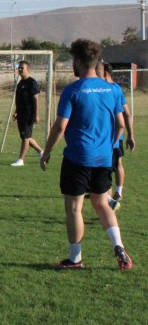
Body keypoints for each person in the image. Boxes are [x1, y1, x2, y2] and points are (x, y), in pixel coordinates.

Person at [40, 39, 132, 270]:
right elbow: (120, 123)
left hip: (78, 158)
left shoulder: (73, 90)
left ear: (79, 62)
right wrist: (109, 145)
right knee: (102, 204)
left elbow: (60, 127)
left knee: (74, 208)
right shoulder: (111, 90)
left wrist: (47, 151)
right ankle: (118, 246)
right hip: (103, 157)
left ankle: (75, 259)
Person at [100, 62, 135, 205]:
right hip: (107, 136)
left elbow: (126, 115)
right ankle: (112, 194)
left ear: (106, 71)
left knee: (109, 166)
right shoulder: (110, 89)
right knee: (109, 166)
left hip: (111, 137)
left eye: (98, 70)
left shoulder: (112, 89)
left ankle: (113, 197)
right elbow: (127, 114)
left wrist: (131, 135)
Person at [10, 61, 43, 166]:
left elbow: (36, 100)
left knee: (25, 137)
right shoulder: (20, 83)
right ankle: (41, 152)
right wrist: (16, 111)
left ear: (28, 69)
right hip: (21, 114)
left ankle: (21, 160)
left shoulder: (31, 82)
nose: (19, 70)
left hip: (29, 114)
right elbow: (20, 99)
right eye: (19, 68)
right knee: (26, 136)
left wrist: (37, 115)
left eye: (22, 68)